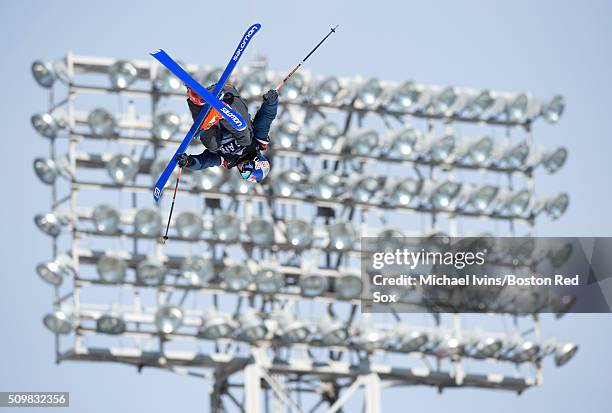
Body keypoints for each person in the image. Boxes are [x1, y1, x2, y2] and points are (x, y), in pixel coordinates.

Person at [175, 82, 278, 183]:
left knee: (213, 147)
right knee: (246, 139)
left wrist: (189, 162)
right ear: (256, 161)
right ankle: (223, 111)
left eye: (244, 174)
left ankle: (196, 99)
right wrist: (271, 102)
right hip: (229, 97)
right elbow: (265, 120)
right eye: (247, 169)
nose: (242, 169)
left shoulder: (229, 160)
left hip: (210, 112)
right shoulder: (257, 143)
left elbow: (205, 161)